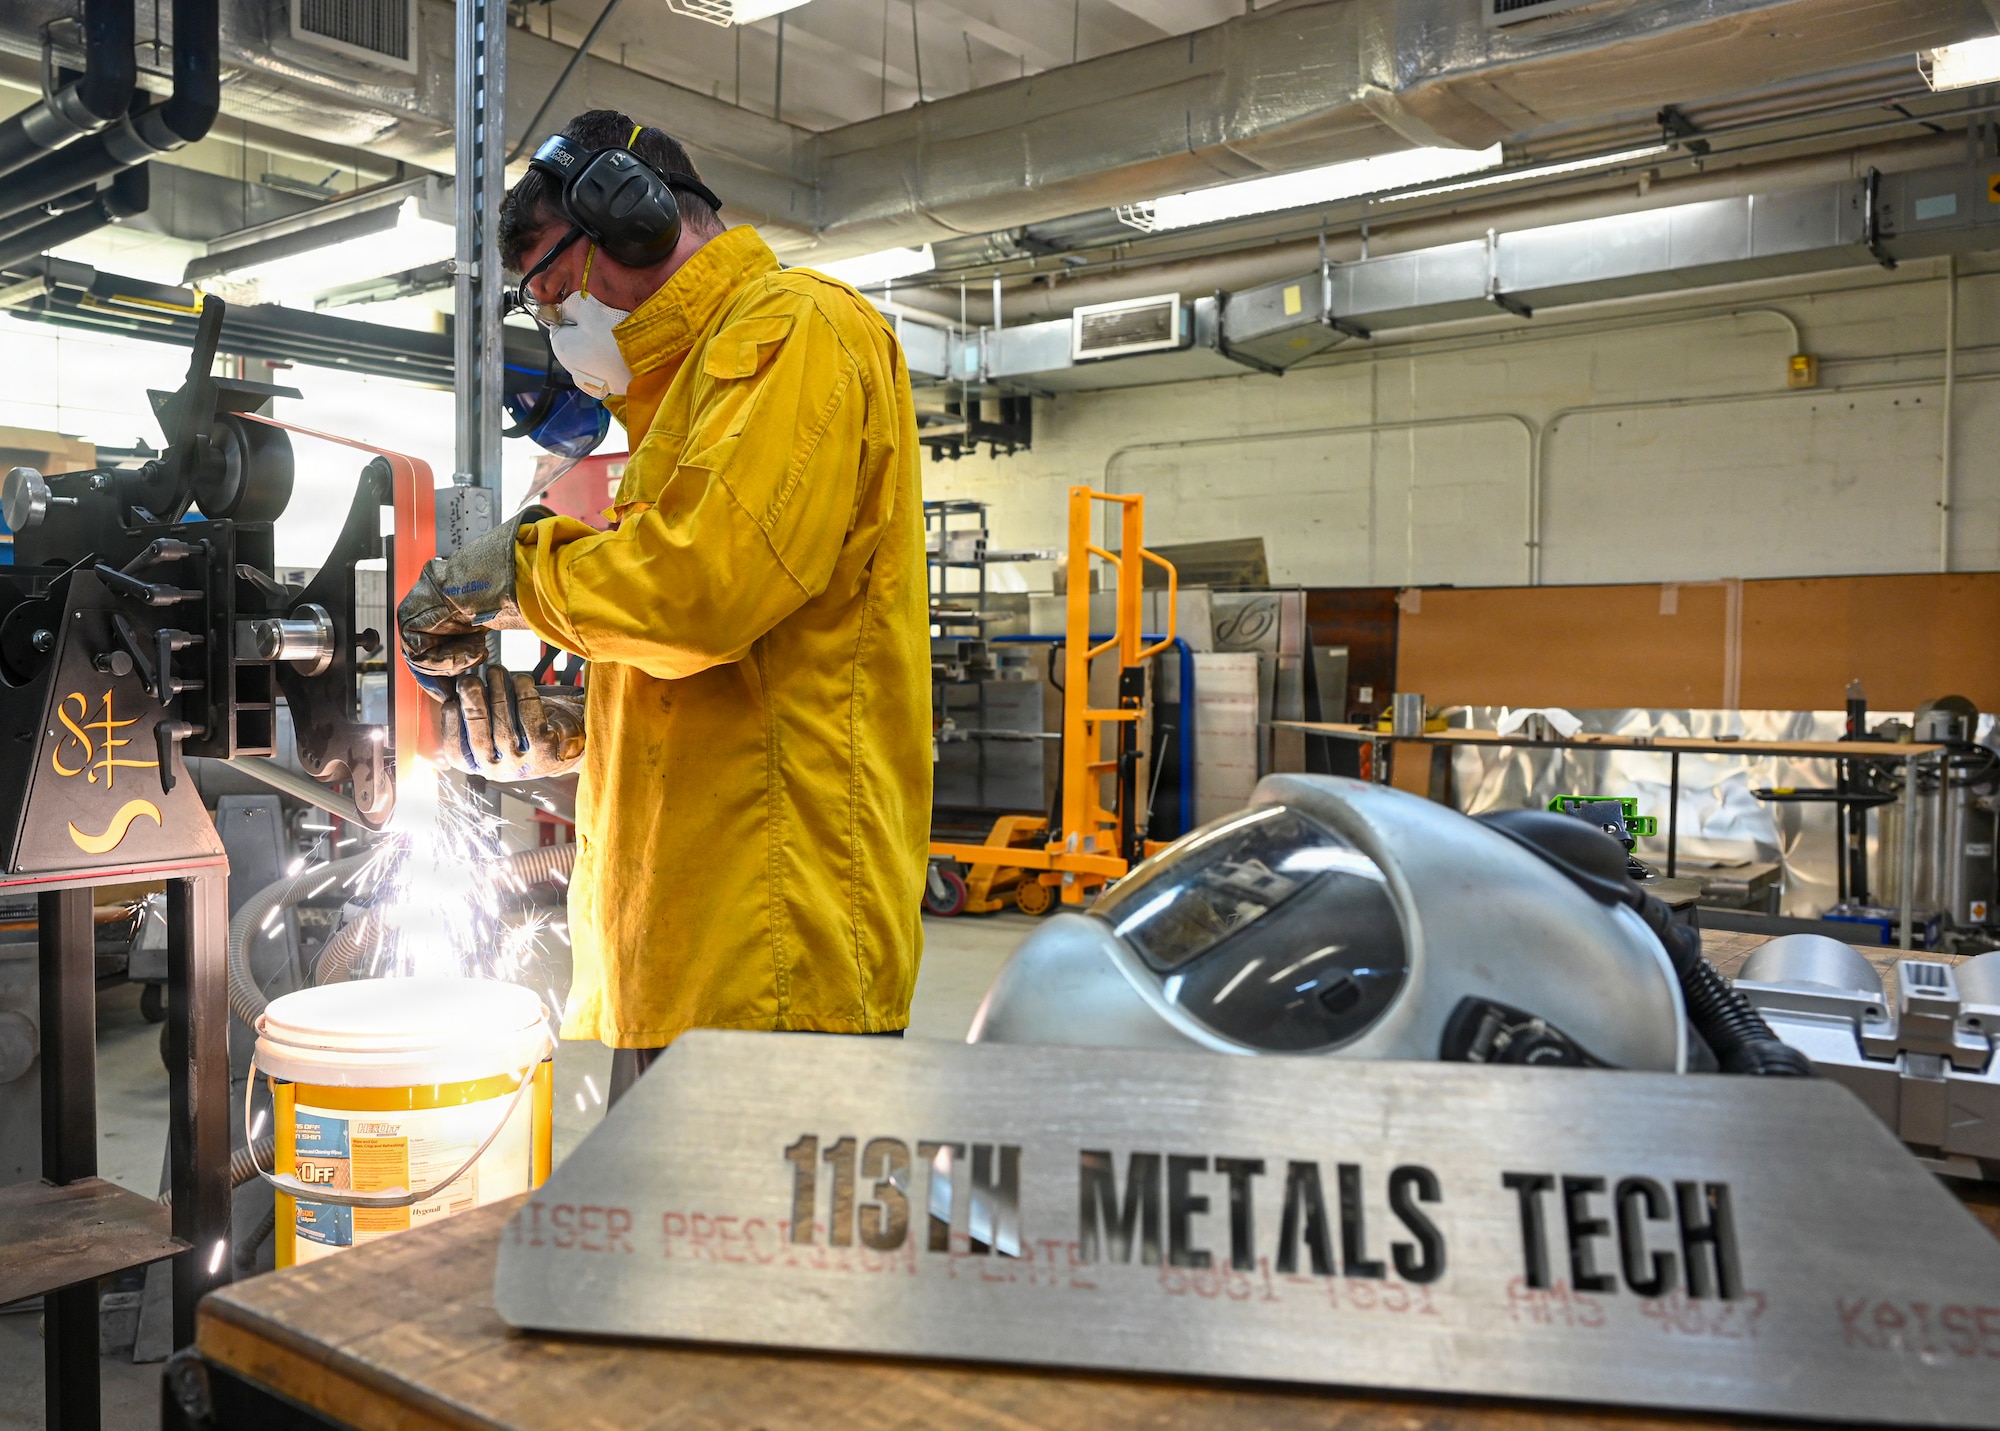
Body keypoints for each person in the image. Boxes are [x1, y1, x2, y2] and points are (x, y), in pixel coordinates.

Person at [395, 110, 931, 1090]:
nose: (559, 328)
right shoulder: (684, 405)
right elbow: (723, 684)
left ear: (637, 221)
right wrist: (563, 732)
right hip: (691, 950)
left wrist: (497, 576)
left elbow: (696, 593)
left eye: (557, 293)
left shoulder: (794, 328)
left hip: (770, 954)